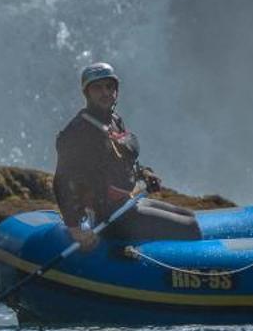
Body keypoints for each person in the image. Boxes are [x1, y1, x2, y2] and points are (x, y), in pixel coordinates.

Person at [53, 62, 202, 246]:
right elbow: (61, 182)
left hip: (126, 204)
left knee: (189, 216)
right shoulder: (78, 132)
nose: (106, 93)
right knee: (191, 227)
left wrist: (144, 173)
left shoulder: (114, 120)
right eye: (98, 88)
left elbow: (124, 160)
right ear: (87, 93)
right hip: (109, 218)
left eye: (109, 86)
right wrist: (75, 230)